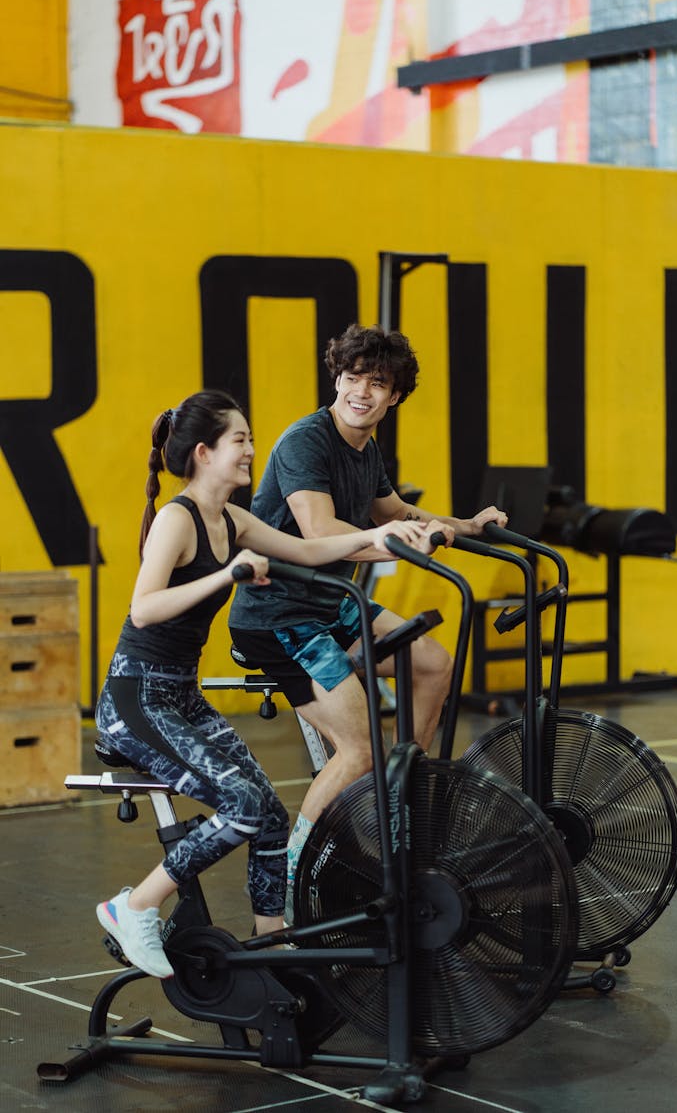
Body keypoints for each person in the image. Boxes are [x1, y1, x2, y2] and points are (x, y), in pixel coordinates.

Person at [95, 389, 430, 979]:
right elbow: (144, 609)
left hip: (178, 694)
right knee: (245, 807)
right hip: (136, 699)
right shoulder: (179, 518)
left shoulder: (232, 519)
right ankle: (134, 906)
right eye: (241, 440)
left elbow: (306, 547)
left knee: (270, 817)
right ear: (204, 452)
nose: (252, 450)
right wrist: (226, 575)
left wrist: (376, 539)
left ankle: (272, 945)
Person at [228, 324, 508, 918]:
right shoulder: (309, 439)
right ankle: (288, 878)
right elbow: (321, 532)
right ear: (337, 378)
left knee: (432, 662)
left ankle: (395, 804)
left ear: (395, 397)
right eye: (352, 379)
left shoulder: (365, 447)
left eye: (376, 384)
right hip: (280, 615)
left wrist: (464, 528)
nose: (361, 392)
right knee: (358, 750)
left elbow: (394, 511)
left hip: (330, 608)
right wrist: (396, 539)